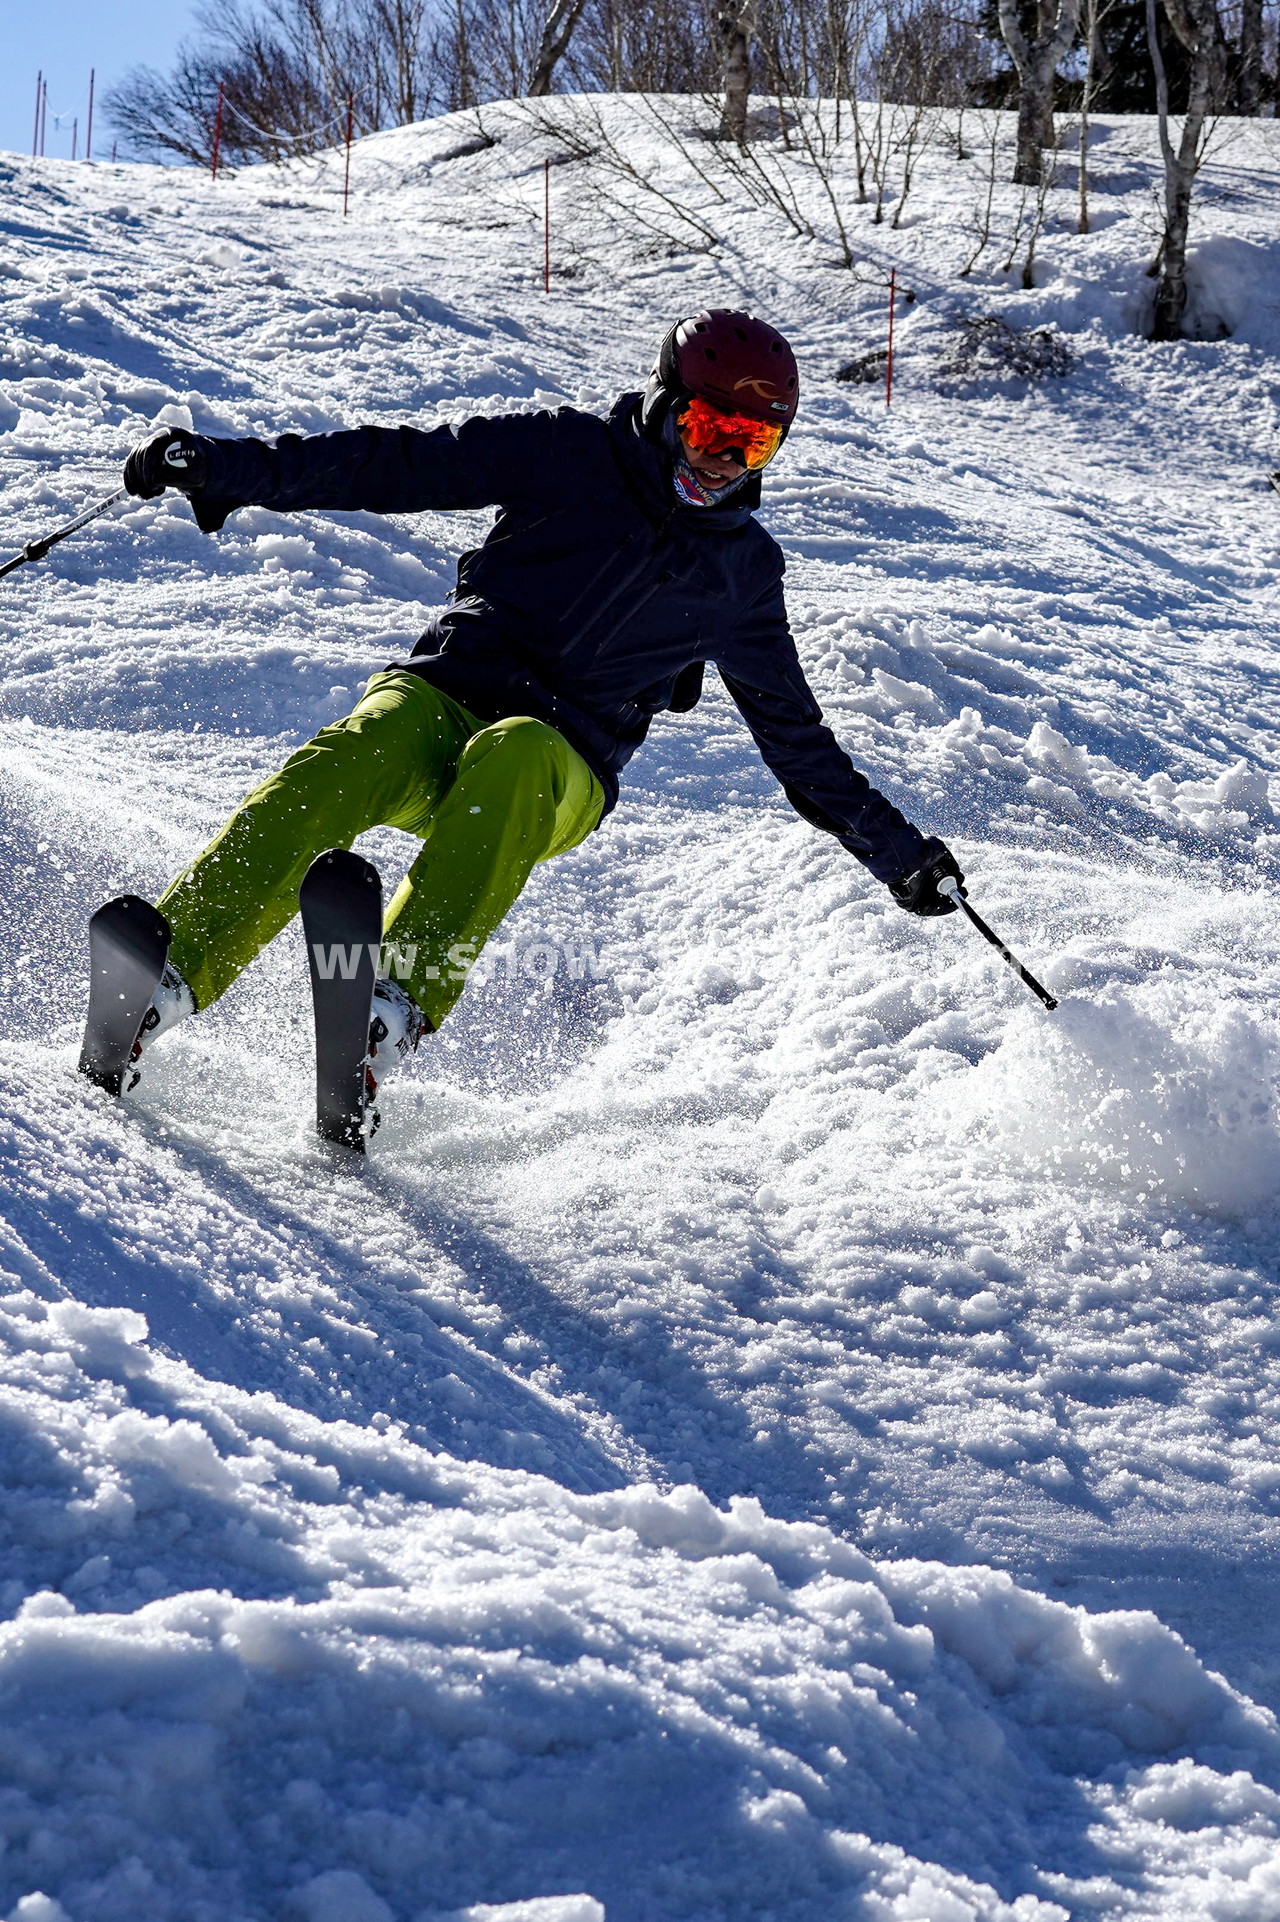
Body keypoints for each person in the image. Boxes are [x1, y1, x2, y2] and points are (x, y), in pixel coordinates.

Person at [120, 309, 963, 1109]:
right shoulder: (565, 452)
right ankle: (167, 976)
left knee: (517, 753)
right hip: (446, 696)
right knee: (358, 751)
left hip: (561, 768)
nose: (725, 460)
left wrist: (900, 857)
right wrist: (232, 471)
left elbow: (798, 744)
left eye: (755, 442)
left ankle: (385, 1019)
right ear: (669, 407)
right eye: (712, 431)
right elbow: (393, 464)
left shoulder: (742, 574)